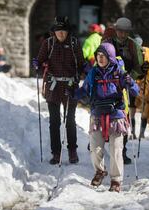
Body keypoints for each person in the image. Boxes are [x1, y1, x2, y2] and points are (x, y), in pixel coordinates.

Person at [74, 42, 139, 192]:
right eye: (98, 55)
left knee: (116, 149)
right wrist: (72, 93)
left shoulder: (119, 73)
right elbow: (84, 90)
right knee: (95, 148)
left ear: (110, 57)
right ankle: (100, 171)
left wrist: (130, 82)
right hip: (97, 114)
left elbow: (135, 91)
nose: (100, 58)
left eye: (103, 56)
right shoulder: (93, 73)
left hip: (116, 115)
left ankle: (116, 180)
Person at [32, 16, 85, 165]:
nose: (61, 34)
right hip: (53, 87)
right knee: (54, 122)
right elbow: (40, 62)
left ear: (68, 32)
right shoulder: (48, 44)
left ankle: (72, 151)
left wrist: (86, 70)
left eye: (64, 31)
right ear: (53, 32)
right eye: (58, 31)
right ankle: (56, 153)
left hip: (70, 87)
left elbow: (81, 64)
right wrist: (37, 65)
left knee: (70, 121)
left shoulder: (75, 44)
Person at [102, 17, 148, 164]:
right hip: (107, 84)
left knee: (124, 119)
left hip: (125, 86)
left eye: (125, 31)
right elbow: (100, 62)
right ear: (115, 30)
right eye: (119, 31)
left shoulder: (133, 45)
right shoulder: (107, 44)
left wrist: (135, 74)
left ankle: (122, 151)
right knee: (104, 115)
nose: (121, 34)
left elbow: (138, 67)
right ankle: (100, 144)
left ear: (128, 32)